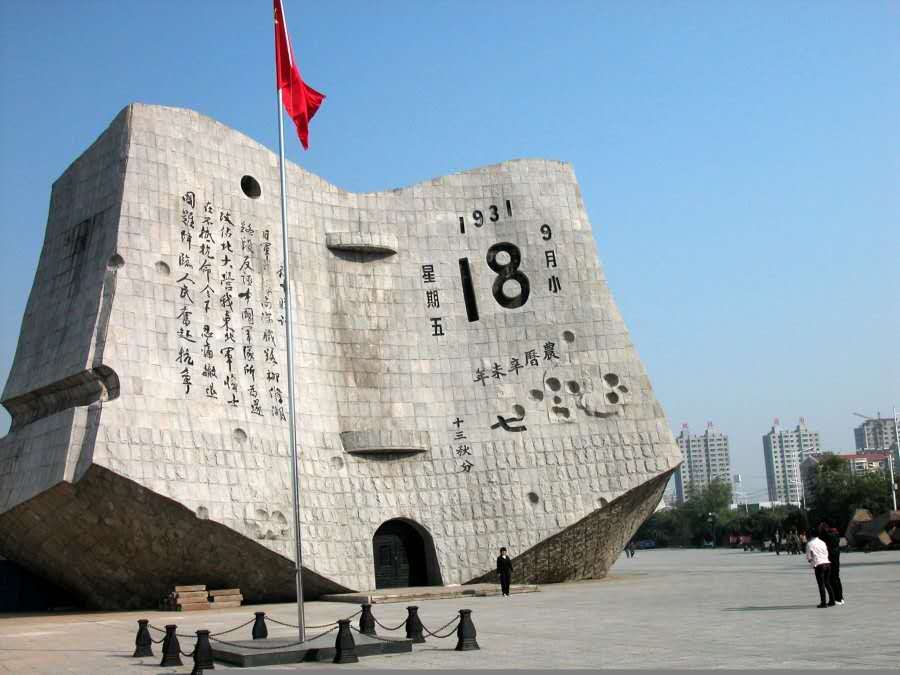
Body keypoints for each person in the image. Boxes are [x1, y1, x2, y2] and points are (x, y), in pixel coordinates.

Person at [805, 528, 835, 608]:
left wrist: (811, 561)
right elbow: (826, 553)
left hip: (819, 565)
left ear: (810, 535)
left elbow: (808, 557)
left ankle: (823, 603)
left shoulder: (809, 544)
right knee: (827, 583)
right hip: (827, 563)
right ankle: (832, 600)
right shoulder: (822, 542)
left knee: (821, 585)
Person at [818, 522, 844, 605]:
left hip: (830, 559)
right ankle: (840, 597)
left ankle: (836, 599)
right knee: (836, 578)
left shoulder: (826, 535)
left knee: (831, 579)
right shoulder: (835, 534)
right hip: (836, 557)